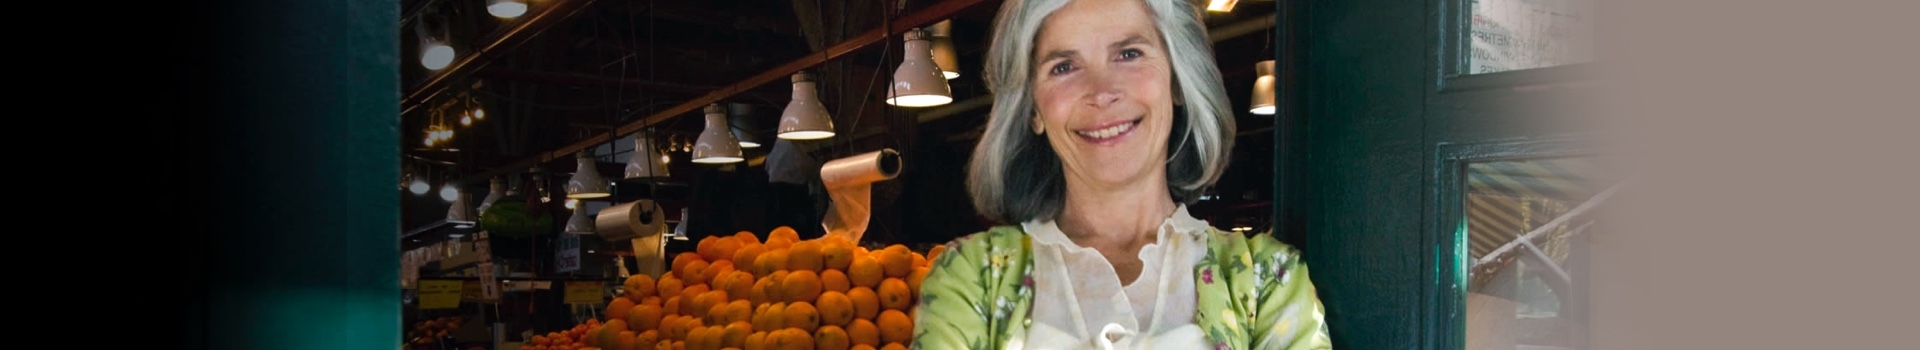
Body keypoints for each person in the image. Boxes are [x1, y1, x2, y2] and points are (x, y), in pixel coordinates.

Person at [911, 0, 1333, 349]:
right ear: (1034, 110)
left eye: (1129, 54)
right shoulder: (973, 278)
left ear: (1176, 82)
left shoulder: (1267, 280)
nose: (1101, 91)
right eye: (1063, 67)